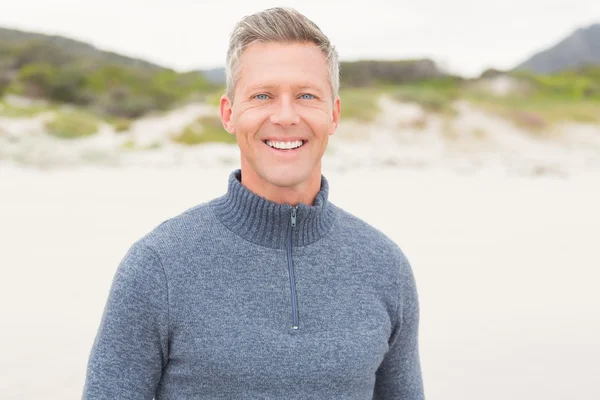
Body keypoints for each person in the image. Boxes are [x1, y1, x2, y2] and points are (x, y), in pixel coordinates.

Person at [82, 7, 424, 400]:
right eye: (262, 95)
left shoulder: (385, 266)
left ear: (334, 114)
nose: (284, 115)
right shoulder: (157, 267)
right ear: (229, 114)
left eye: (306, 95)